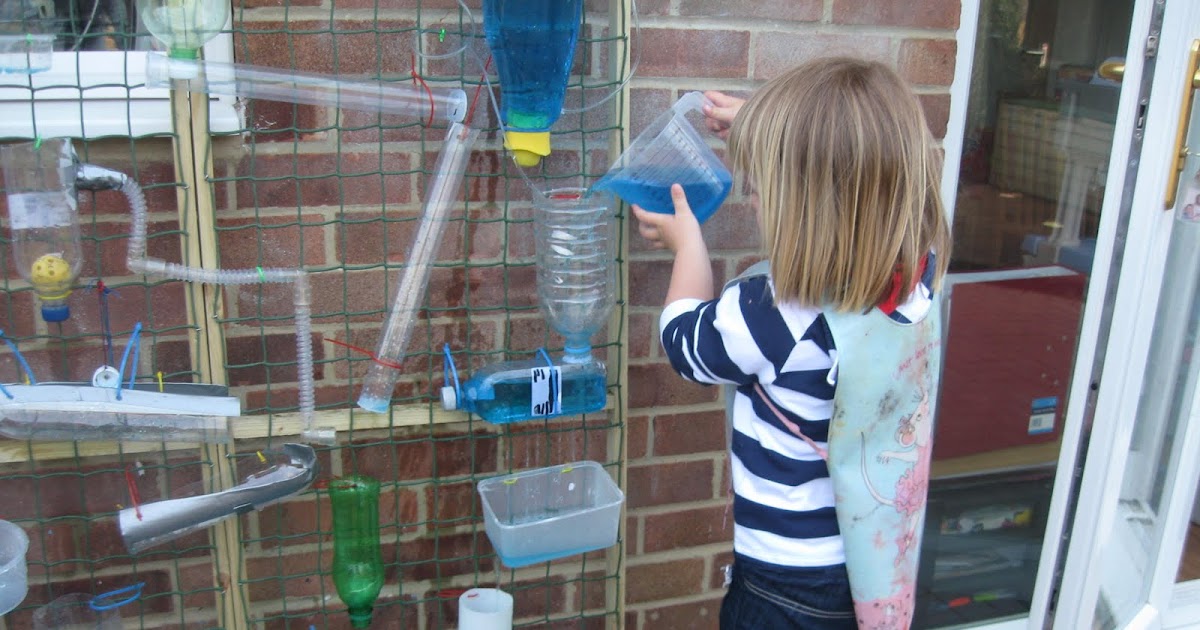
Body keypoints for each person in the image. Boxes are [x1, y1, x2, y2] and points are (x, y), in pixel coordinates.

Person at [633, 57, 951, 629]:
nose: (753, 197)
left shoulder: (773, 316)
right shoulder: (916, 279)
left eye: (764, 187)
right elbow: (859, 165)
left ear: (807, 207)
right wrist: (769, 128)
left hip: (783, 588)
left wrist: (688, 247)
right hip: (867, 566)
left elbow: (683, 340)